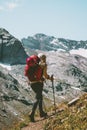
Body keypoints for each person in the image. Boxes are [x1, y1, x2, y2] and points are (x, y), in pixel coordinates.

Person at [29, 53, 53, 122]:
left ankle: (41, 112)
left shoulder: (34, 64)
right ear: (44, 58)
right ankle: (32, 113)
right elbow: (45, 75)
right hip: (38, 83)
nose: (45, 60)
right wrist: (49, 78)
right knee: (38, 98)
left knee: (40, 97)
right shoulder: (43, 65)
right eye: (45, 58)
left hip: (32, 84)